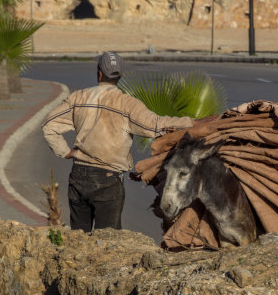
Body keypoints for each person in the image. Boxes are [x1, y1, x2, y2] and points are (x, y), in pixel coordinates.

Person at [42, 52, 195, 232]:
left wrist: (65, 151)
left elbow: (49, 125)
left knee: (78, 239)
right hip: (108, 180)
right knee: (108, 242)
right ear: (121, 75)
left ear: (99, 73)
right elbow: (157, 125)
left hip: (79, 175)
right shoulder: (127, 104)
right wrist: (191, 124)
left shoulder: (79, 98)